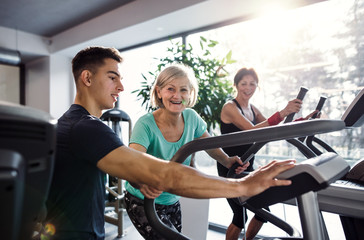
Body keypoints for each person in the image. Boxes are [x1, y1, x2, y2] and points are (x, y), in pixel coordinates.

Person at [43, 47, 295, 240]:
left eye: (184, 90)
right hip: (89, 227)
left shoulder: (75, 124)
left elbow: (205, 146)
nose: (121, 86)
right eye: (113, 77)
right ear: (87, 78)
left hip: (83, 228)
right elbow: (164, 174)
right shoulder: (87, 127)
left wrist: (228, 161)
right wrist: (243, 185)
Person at [124, 64, 247, 239]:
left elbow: (209, 145)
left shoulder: (191, 118)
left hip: (171, 198)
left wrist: (227, 160)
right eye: (170, 89)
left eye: (183, 90)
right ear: (159, 92)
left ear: (190, 93)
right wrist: (142, 183)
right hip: (143, 200)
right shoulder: (145, 125)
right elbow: (130, 164)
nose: (177, 95)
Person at [218, 67, 318, 240]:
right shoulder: (230, 107)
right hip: (231, 167)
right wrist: (283, 112)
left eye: (252, 84)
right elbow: (252, 131)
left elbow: (272, 129)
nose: (248, 88)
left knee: (262, 212)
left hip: (248, 164)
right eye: (244, 84)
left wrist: (303, 121)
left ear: (257, 86)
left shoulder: (253, 109)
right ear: (235, 85)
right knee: (239, 217)